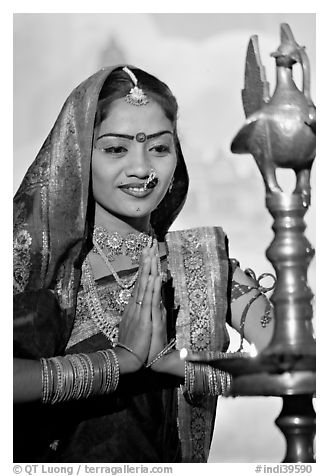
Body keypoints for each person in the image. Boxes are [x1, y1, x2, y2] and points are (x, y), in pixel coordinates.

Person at [13, 65, 275, 463]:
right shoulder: (42, 267)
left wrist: (173, 364)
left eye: (159, 147)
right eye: (116, 148)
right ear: (79, 157)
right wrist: (118, 362)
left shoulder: (201, 263)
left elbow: (297, 364)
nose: (141, 169)